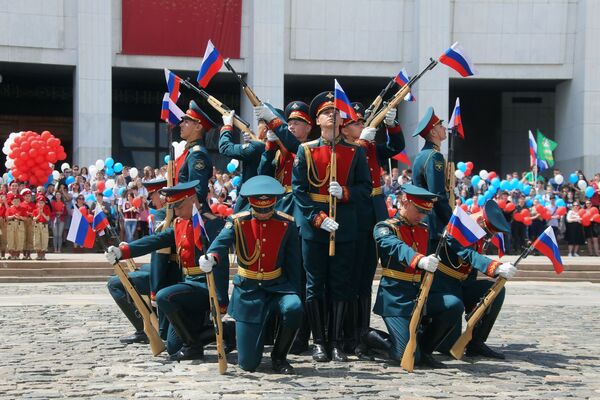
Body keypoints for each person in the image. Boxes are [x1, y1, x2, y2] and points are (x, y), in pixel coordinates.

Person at [105, 180, 232, 361]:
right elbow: (156, 241)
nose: (176, 211)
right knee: (172, 346)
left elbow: (221, 264)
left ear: (192, 200)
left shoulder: (212, 225)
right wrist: (123, 251)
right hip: (188, 286)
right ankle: (229, 331)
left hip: (206, 287)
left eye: (179, 206)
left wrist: (220, 302)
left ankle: (193, 347)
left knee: (165, 296)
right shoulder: (180, 223)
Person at [292, 91, 371, 362]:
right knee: (314, 284)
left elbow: (366, 188)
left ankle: (337, 341)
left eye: (336, 112)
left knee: (341, 284)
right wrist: (317, 218)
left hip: (345, 224)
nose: (332, 115)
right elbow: (299, 191)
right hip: (315, 227)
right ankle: (319, 342)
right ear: (317, 120)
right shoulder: (307, 150)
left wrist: (345, 193)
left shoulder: (355, 151)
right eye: (327, 112)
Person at [200, 176, 303, 374]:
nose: (263, 214)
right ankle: (233, 330)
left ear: (274, 204)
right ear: (251, 205)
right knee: (248, 364)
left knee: (294, 307)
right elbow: (221, 242)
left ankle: (279, 357)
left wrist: (295, 292)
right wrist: (211, 257)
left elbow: (293, 264)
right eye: (259, 209)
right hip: (248, 290)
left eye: (267, 209)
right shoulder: (238, 222)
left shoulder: (286, 224)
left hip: (276, 287)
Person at [364, 184, 463, 368]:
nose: (422, 216)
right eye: (418, 210)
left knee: (453, 304)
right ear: (405, 202)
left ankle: (425, 350)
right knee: (404, 355)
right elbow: (395, 247)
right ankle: (371, 337)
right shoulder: (385, 227)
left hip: (419, 295)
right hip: (396, 298)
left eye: (425, 212)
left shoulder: (423, 228)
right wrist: (419, 260)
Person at [339, 102, 405, 358]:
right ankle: (346, 335)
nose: (362, 126)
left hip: (374, 212)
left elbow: (396, 147)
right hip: (354, 213)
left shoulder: (370, 147)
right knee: (350, 278)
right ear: (344, 130)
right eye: (356, 123)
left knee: (366, 278)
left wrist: (392, 125)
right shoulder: (346, 149)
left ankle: (362, 334)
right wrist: (360, 145)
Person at [434, 200, 517, 359]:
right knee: (448, 346)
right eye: (487, 233)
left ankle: (476, 342)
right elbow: (467, 254)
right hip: (443, 287)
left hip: (462, 285)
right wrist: (495, 267)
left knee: (495, 291)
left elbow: (471, 265)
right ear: (479, 221)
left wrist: (476, 306)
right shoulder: (456, 226)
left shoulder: (475, 230)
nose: (487, 238)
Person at [412, 107, 453, 253]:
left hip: (423, 220)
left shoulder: (422, 155)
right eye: (440, 126)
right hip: (434, 223)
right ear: (433, 132)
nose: (444, 128)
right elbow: (437, 195)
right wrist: (452, 221)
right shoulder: (434, 156)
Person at [174, 100, 216, 212]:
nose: (181, 124)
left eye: (186, 121)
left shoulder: (197, 154)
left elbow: (197, 193)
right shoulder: (191, 151)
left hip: (192, 215)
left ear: (197, 127)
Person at [6, 193, 25, 260]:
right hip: (12, 224)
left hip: (19, 224)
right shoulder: (9, 209)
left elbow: (25, 218)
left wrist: (20, 217)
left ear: (20, 202)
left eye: (17, 201)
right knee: (11, 239)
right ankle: (12, 255)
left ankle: (17, 255)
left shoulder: (22, 208)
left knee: (19, 239)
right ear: (12, 202)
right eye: (14, 201)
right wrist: (13, 216)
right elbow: (7, 217)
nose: (16, 202)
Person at [32, 195, 50, 260]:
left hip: (44, 225)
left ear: (44, 203)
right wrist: (39, 214)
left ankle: (43, 255)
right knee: (37, 240)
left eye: (42, 203)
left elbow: (48, 219)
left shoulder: (47, 209)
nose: (41, 204)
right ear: (37, 203)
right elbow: (34, 219)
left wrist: (43, 214)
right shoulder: (35, 210)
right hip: (37, 225)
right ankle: (38, 255)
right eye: (39, 202)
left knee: (44, 240)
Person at [20, 188, 35, 260]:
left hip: (31, 222)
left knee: (30, 237)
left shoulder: (33, 204)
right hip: (23, 221)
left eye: (29, 196)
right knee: (23, 237)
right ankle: (24, 254)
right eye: (26, 196)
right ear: (23, 197)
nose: (28, 197)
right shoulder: (21, 204)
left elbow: (35, 213)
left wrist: (31, 214)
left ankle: (28, 254)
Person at [0, 191, 7, 259]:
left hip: (4, 221)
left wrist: (5, 203)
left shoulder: (6, 204)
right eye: (1, 196)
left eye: (3, 196)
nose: (2, 198)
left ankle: (3, 254)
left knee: (3, 238)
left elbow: (9, 211)